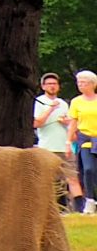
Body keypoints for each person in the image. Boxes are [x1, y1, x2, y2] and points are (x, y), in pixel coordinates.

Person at [35, 73, 80, 210]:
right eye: (49, 84)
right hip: (47, 147)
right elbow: (37, 123)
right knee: (49, 179)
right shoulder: (39, 101)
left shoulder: (64, 104)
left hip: (65, 147)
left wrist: (67, 122)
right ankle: (50, 208)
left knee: (72, 177)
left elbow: (72, 124)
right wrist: (50, 109)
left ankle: (80, 208)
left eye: (54, 84)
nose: (52, 86)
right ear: (43, 86)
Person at [72, 72, 97, 214]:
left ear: (92, 84)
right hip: (85, 140)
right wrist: (68, 141)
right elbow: (73, 122)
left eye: (83, 82)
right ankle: (90, 199)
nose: (80, 85)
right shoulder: (76, 102)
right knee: (88, 170)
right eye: (78, 82)